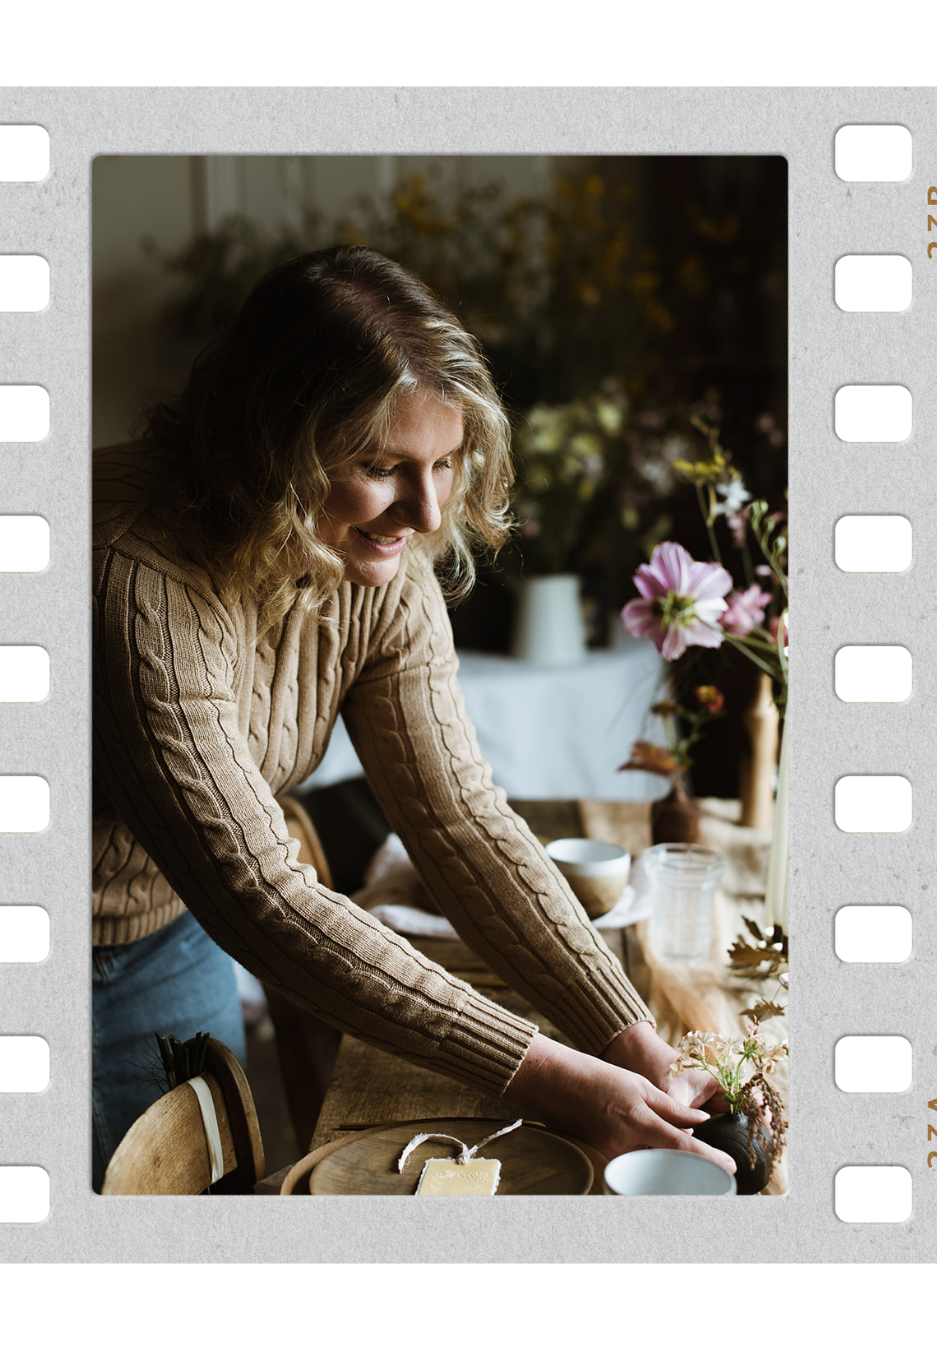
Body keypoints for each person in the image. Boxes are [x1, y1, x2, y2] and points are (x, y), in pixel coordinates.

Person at [91, 245, 735, 1191]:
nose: (427, 511)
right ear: (273, 447)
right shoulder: (134, 574)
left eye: (444, 462)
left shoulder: (366, 556)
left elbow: (458, 818)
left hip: (173, 924)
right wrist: (557, 1082)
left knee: (208, 1203)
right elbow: (261, 893)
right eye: (382, 466)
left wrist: (626, 1033)